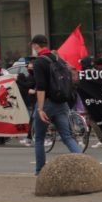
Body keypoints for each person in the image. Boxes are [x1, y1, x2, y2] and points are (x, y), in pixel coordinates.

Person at [30, 34, 83, 174]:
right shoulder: (58, 59)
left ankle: (40, 171)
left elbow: (41, 87)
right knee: (67, 136)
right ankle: (84, 164)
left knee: (39, 139)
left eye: (33, 46)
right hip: (61, 102)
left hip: (46, 103)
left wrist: (40, 109)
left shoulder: (39, 62)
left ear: (36, 45)